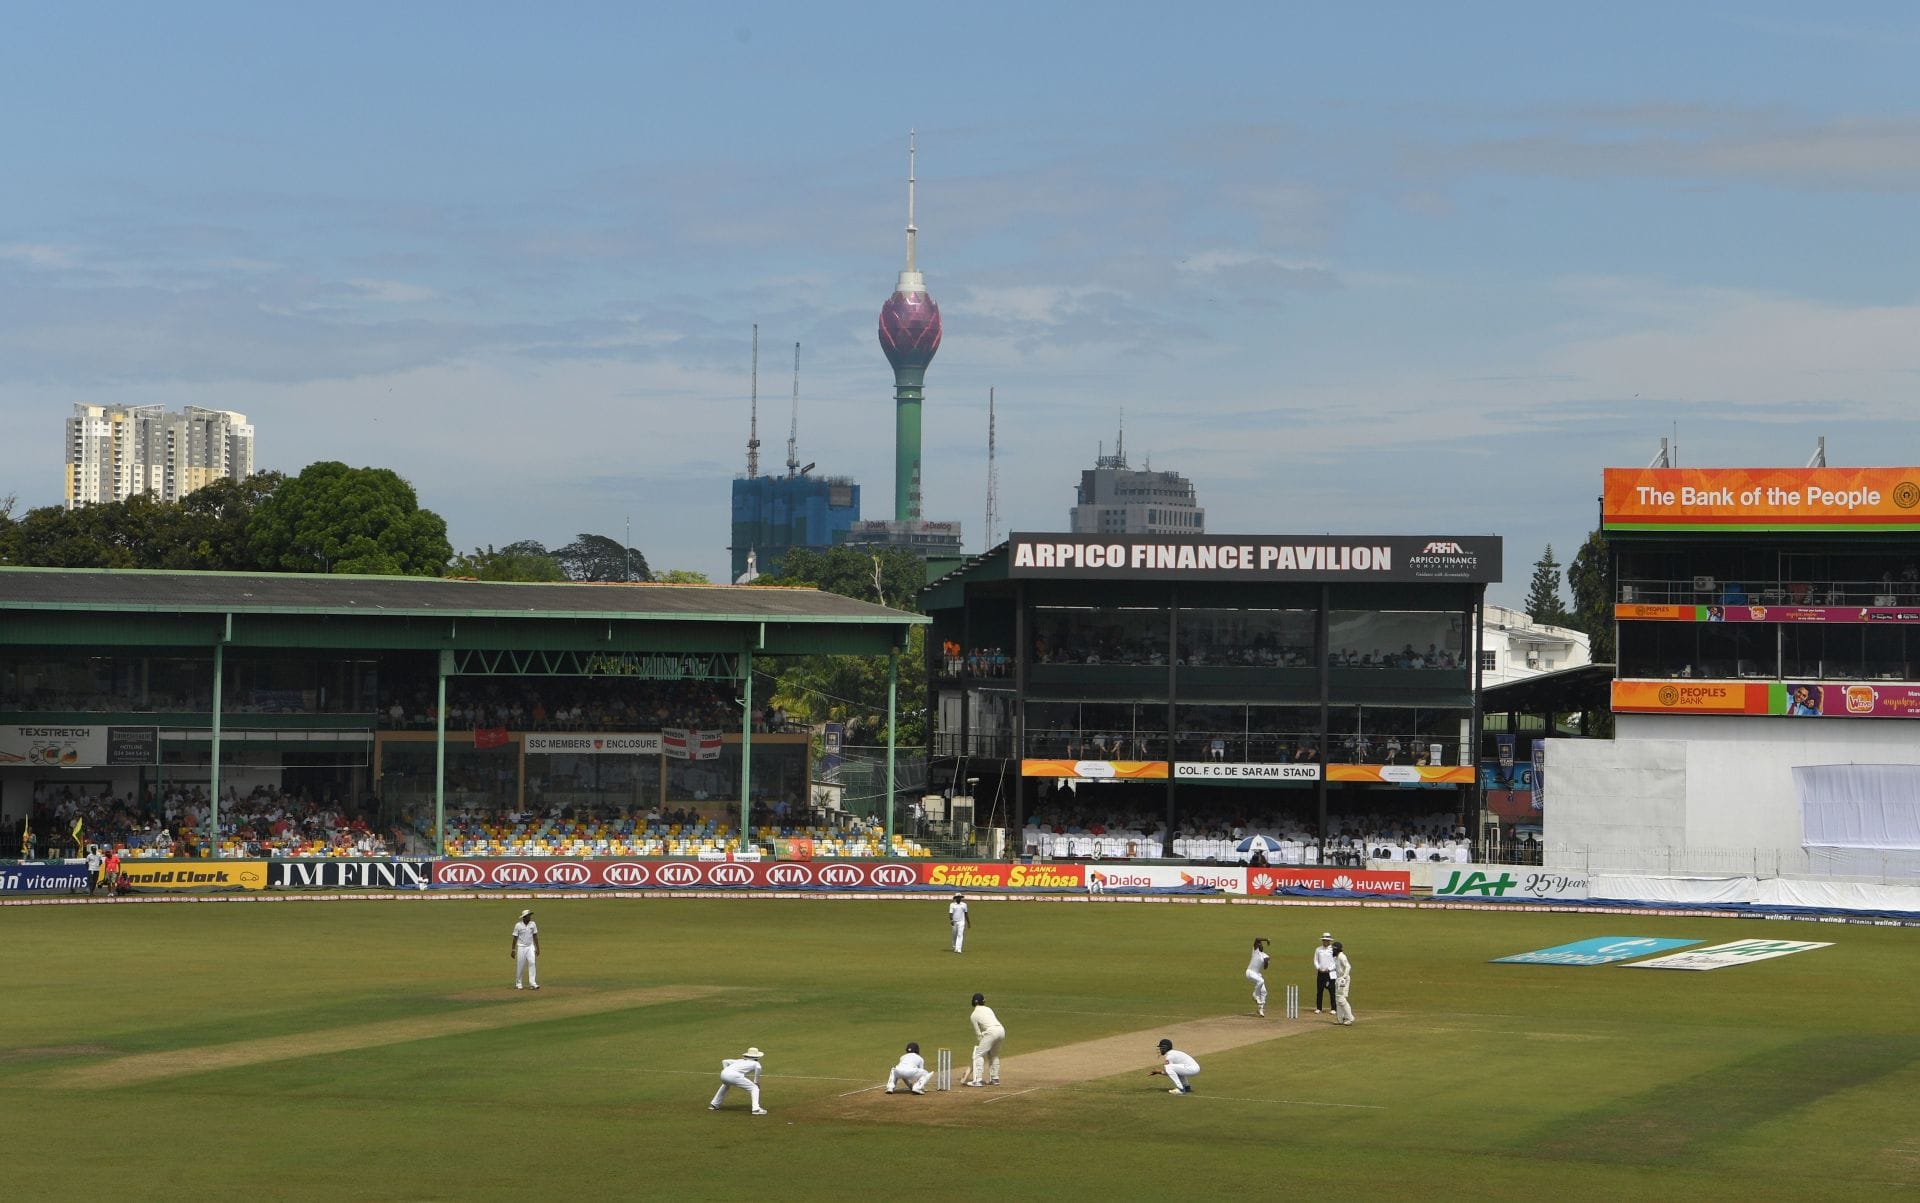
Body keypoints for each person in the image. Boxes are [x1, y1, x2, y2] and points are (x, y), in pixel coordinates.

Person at [709, 1046, 768, 1115]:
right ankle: (756, 1109)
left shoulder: (740, 1061)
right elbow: (758, 1068)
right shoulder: (756, 1063)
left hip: (723, 1074)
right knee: (754, 1088)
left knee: (725, 1085)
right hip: (734, 1075)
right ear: (757, 1057)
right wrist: (756, 1082)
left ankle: (714, 1104)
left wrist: (726, 1071)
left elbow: (725, 1061)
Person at [966, 992, 1004, 1087]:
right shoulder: (988, 1009)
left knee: (978, 1054)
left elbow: (978, 1034)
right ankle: (995, 1079)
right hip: (1001, 1030)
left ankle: (977, 1080)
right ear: (983, 1001)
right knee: (994, 1055)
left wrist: (981, 1044)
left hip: (991, 1032)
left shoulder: (973, 1015)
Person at [510, 908, 540, 990]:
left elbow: (535, 936)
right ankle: (518, 983)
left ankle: (532, 983)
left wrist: (537, 948)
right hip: (521, 947)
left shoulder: (533, 924)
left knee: (532, 962)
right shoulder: (518, 925)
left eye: (530, 915)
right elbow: (515, 938)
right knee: (521, 965)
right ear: (524, 917)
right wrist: (513, 950)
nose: (530, 917)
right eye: (528, 916)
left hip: (530, 946)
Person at [1245, 937, 1271, 1017]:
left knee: (1264, 992)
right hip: (1250, 972)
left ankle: (1260, 1010)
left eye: (1261, 945)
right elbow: (1256, 939)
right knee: (1261, 981)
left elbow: (1265, 968)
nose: (1260, 945)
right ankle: (1255, 995)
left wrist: (1266, 962)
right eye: (1259, 944)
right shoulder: (1255, 951)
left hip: (1256, 974)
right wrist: (1266, 939)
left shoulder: (1265, 956)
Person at [1331, 940, 1355, 1025]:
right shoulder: (1336, 957)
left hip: (1343, 979)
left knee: (1341, 999)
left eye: (1333, 949)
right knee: (1338, 1000)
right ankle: (1340, 1019)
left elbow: (1348, 966)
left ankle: (1350, 1018)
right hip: (1338, 979)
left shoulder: (1342, 956)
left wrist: (1344, 977)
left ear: (1337, 950)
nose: (1332, 951)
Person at [1313, 932, 1336, 1014]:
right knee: (1319, 990)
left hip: (1331, 973)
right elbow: (1315, 960)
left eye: (1327, 940)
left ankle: (1333, 1008)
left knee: (1332, 990)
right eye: (1324, 940)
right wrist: (1318, 968)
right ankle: (1319, 1008)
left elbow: (1335, 962)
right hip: (1321, 972)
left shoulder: (1333, 950)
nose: (1325, 942)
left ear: (1330, 941)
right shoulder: (1318, 949)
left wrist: (1329, 969)